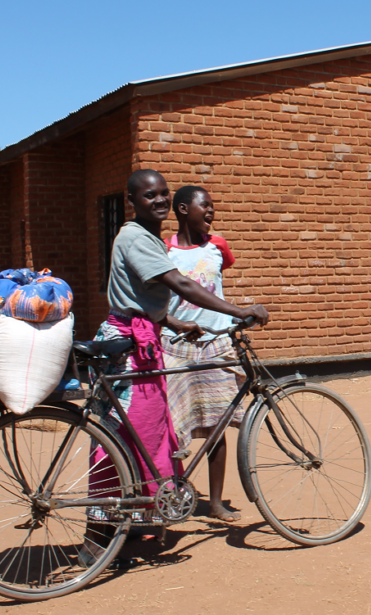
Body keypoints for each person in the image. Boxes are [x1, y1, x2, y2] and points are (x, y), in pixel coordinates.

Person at [84, 170, 268, 560]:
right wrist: (239, 311)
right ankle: (97, 534)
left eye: (163, 193)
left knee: (145, 438)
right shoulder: (139, 238)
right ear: (131, 200)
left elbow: (136, 294)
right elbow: (181, 284)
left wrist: (171, 321)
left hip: (145, 339)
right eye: (149, 195)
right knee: (124, 438)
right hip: (131, 347)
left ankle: (134, 520)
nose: (159, 200)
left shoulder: (147, 238)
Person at [162, 185, 245, 522]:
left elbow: (215, 286)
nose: (210, 212)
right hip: (176, 347)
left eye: (212, 207)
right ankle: (170, 496)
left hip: (216, 344)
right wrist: (174, 322)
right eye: (204, 206)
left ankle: (215, 502)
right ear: (183, 209)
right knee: (170, 428)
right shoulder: (163, 250)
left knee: (217, 426)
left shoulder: (218, 247)